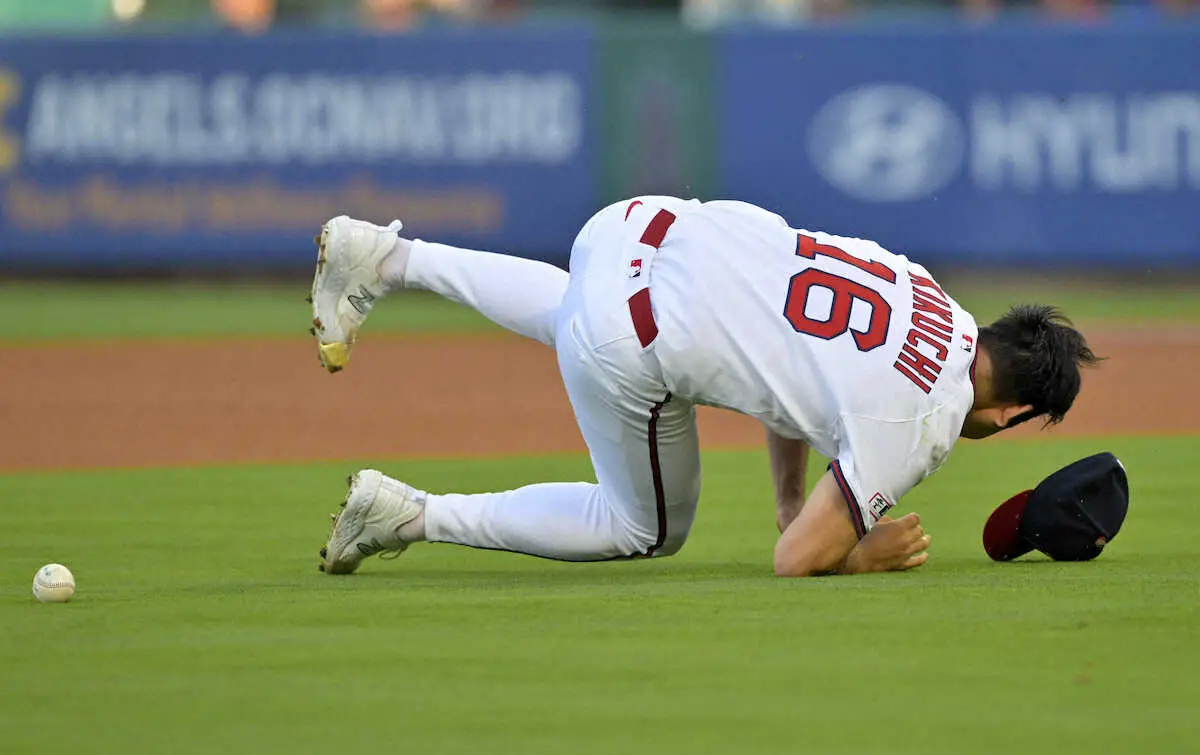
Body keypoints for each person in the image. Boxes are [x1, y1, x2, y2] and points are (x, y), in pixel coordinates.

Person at [307, 196, 1097, 578]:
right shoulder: (927, 419)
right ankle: (409, 516)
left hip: (633, 227)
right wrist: (858, 556)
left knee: (576, 310)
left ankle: (384, 257)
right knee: (644, 528)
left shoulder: (922, 286)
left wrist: (794, 498)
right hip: (632, 338)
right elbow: (794, 562)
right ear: (1012, 410)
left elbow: (796, 368)